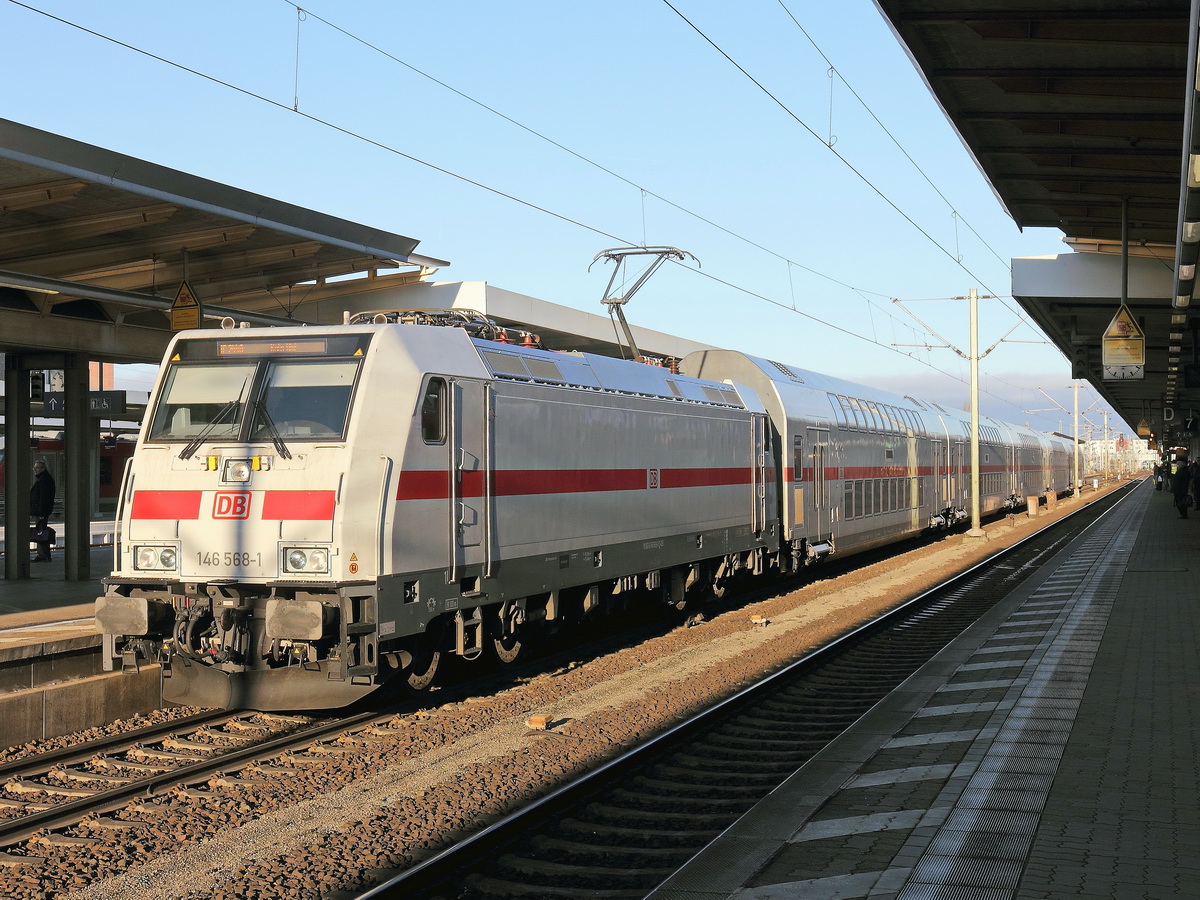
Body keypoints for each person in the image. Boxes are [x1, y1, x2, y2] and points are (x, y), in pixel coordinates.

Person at [29, 459, 56, 561]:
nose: (35, 470)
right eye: (34, 468)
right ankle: (43, 554)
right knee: (41, 532)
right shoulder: (43, 478)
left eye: (37, 468)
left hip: (42, 512)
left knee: (41, 533)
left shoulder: (45, 480)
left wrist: (41, 513)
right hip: (41, 511)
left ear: (43, 468)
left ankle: (43, 555)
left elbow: (44, 498)